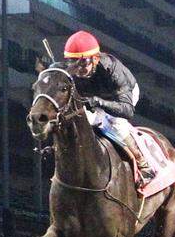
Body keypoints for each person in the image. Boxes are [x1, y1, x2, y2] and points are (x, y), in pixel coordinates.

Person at [59, 30, 154, 186]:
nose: (78, 69)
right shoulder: (73, 72)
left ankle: (144, 164)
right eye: (73, 62)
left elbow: (127, 110)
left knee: (115, 124)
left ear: (95, 59)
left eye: (83, 63)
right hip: (93, 98)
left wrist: (99, 102)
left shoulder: (113, 71)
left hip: (122, 97)